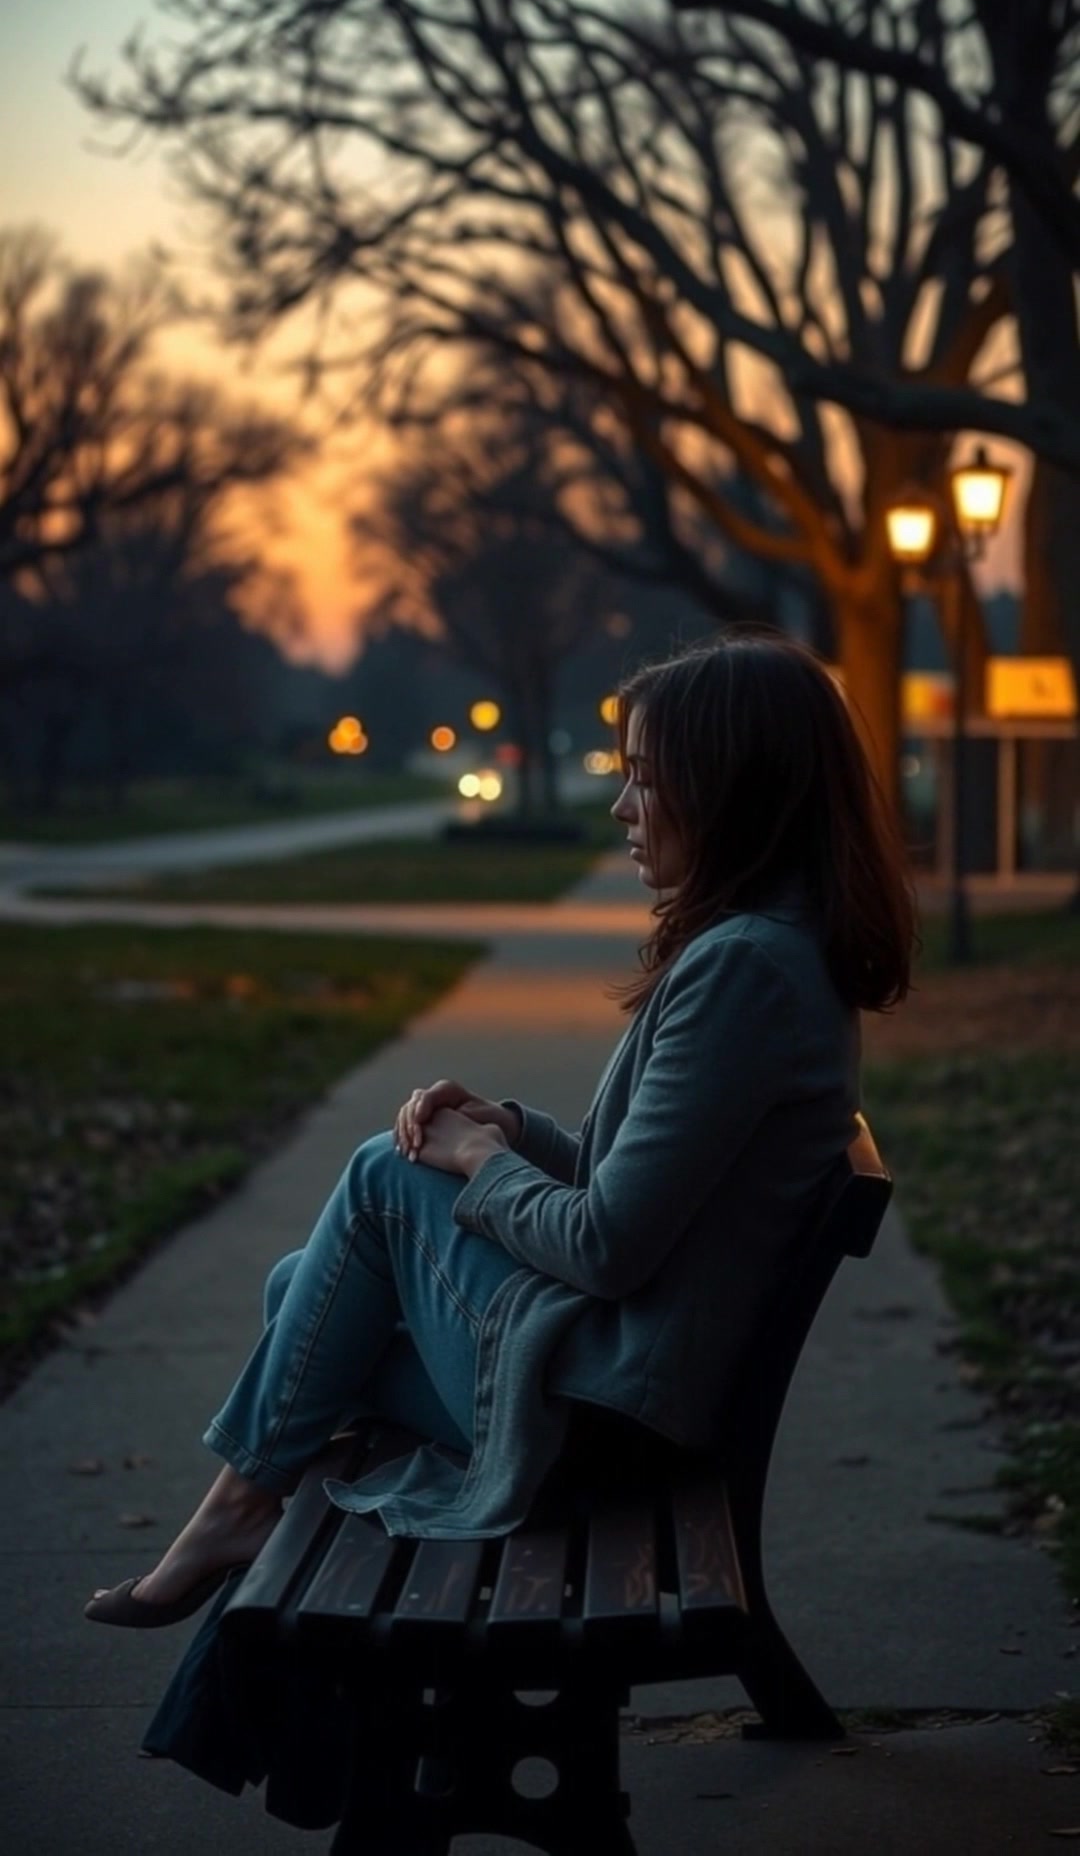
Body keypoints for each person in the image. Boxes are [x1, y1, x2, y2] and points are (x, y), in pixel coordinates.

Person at [84, 627, 915, 1639]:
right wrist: (512, 1129)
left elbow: (609, 1246)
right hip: (628, 1392)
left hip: (612, 1424)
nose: (620, 809)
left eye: (646, 782)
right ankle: (265, 1551)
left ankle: (236, 1514)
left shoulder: (744, 969)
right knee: (301, 1298)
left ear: (732, 790)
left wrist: (473, 1160)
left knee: (377, 1189)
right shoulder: (770, 952)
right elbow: (644, 1183)